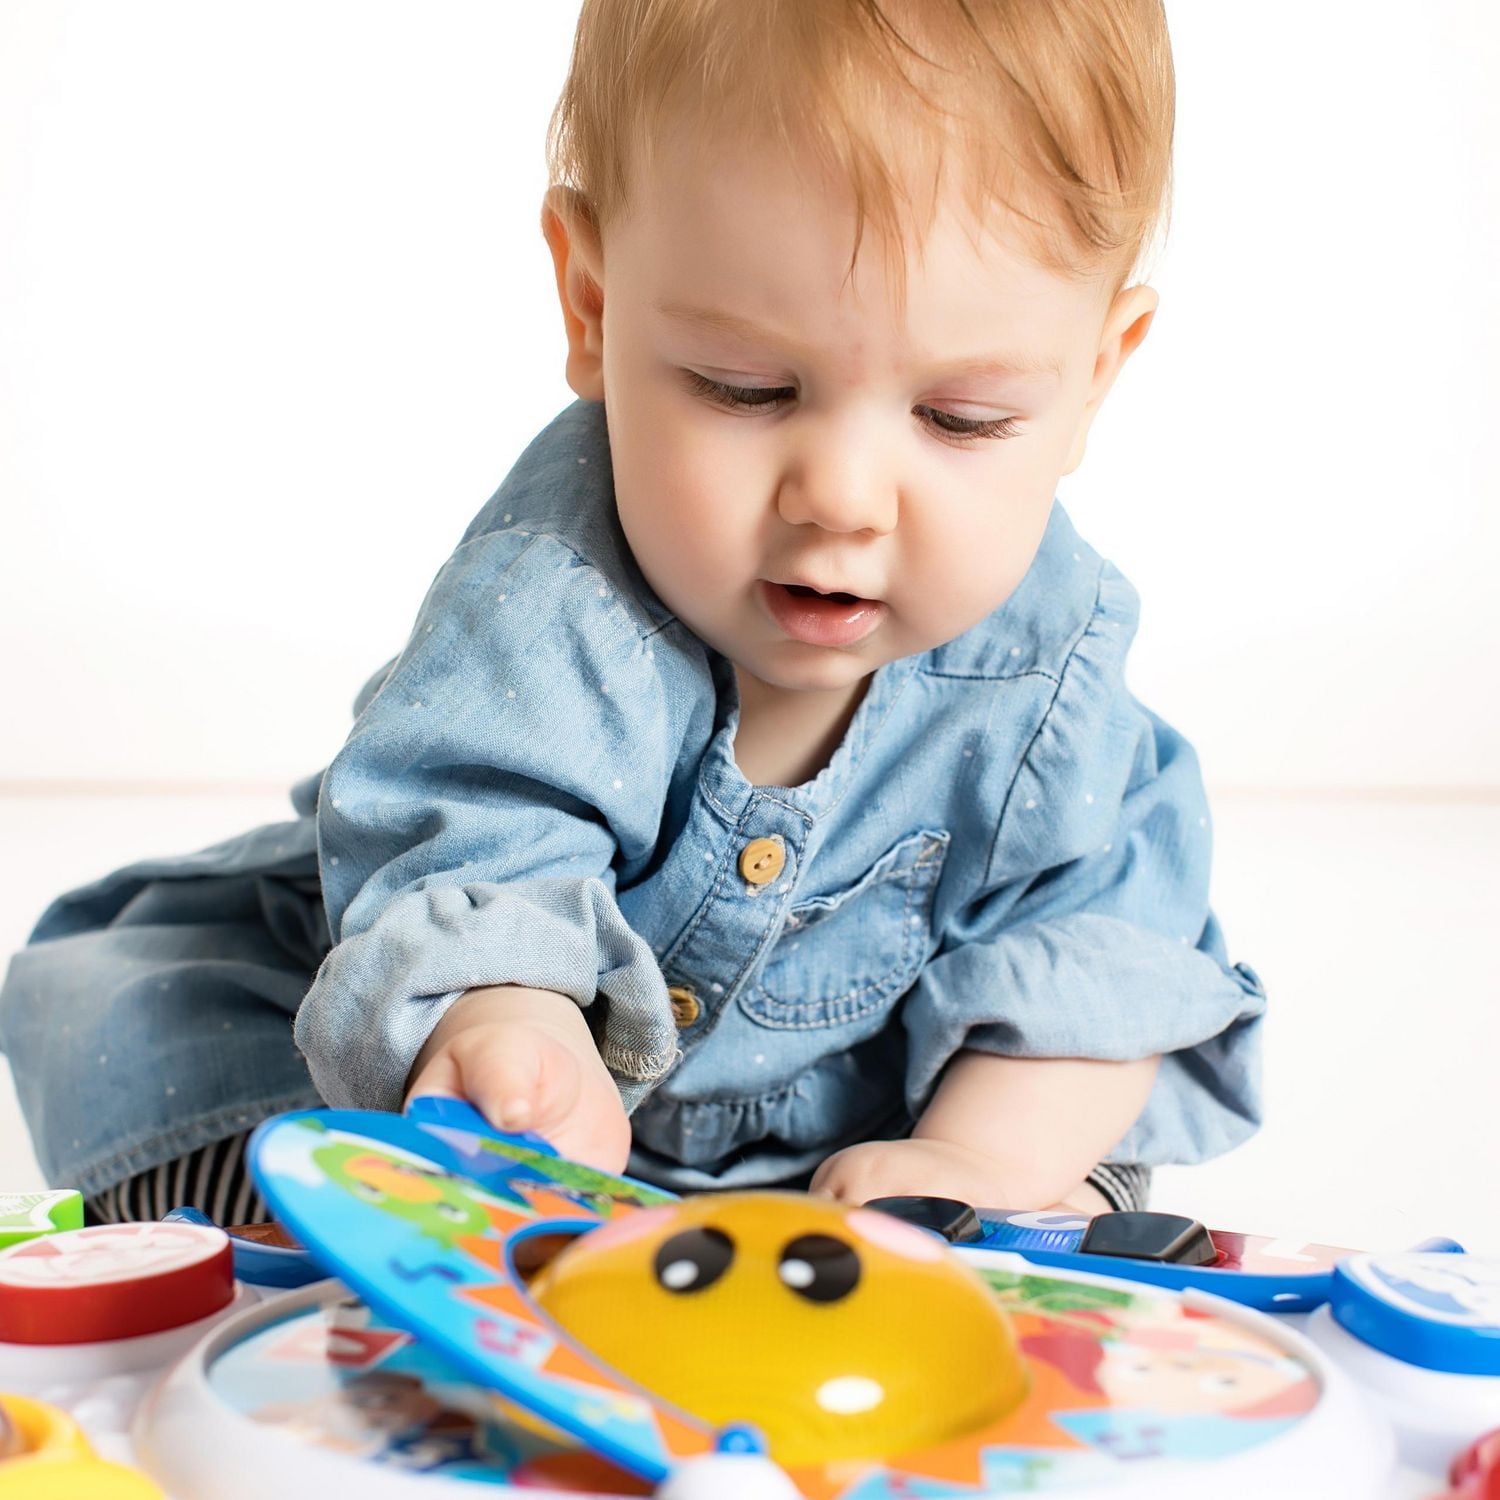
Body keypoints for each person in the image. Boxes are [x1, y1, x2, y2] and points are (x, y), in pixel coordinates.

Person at [0, 0, 1265, 1227]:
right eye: (747, 388)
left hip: (850, 1142)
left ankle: (941, 1236)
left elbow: (1105, 947)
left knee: (1083, 1149)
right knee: (165, 1036)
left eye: (961, 419)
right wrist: (514, 1028)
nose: (840, 494)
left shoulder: (1054, 669)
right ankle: (336, 1218)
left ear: (1098, 372)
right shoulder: (554, 596)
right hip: (515, 1093)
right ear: (592, 304)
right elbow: (470, 839)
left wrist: (970, 1160)